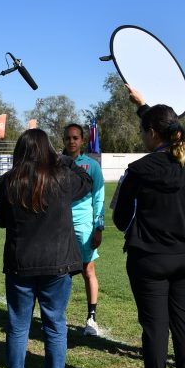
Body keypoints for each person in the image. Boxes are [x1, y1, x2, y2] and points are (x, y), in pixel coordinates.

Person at [111, 85, 185, 368]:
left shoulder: (140, 169)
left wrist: (140, 234)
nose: (142, 138)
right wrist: (144, 106)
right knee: (184, 323)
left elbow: (121, 216)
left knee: (155, 325)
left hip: (151, 258)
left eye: (143, 132)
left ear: (153, 133)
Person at [0, 128, 92, 368]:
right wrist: (65, 159)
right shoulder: (62, 177)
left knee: (18, 324)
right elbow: (87, 180)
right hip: (57, 265)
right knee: (55, 324)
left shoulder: (8, 181)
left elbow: (0, 219)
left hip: (21, 264)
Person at [62, 123, 106, 336]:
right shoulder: (56, 164)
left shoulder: (91, 166)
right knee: (61, 272)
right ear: (63, 140)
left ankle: (91, 318)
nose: (71, 141)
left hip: (85, 225)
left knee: (88, 270)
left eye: (75, 138)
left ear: (82, 140)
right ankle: (57, 316)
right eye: (68, 138)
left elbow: (99, 198)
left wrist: (99, 227)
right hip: (60, 224)